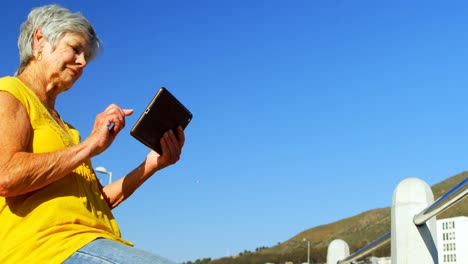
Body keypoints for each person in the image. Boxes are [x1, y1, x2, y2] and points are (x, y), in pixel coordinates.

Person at [0, 4, 185, 264]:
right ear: (40, 40)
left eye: (86, 56)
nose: (82, 62)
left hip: (93, 241)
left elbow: (100, 201)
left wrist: (152, 165)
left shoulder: (69, 130)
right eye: (75, 49)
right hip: (46, 249)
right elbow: (5, 175)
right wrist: (90, 146)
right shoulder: (9, 92)